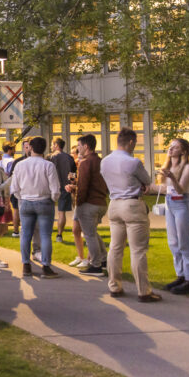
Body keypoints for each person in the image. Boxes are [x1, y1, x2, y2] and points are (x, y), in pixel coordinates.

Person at [99, 127, 161, 302]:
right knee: (138, 250)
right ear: (131, 142)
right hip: (132, 204)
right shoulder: (134, 162)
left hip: (114, 204)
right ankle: (144, 291)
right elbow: (147, 181)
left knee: (115, 248)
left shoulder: (104, 161)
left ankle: (114, 286)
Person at [9, 136, 60, 278]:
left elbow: (14, 187)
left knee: (25, 234)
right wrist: (52, 199)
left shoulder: (20, 165)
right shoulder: (48, 165)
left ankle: (26, 265)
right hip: (44, 201)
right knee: (45, 236)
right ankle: (46, 266)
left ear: (30, 147)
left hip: (26, 201)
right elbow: (55, 189)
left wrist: (22, 198)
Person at [156, 138, 189, 295]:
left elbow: (180, 190)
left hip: (183, 204)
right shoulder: (169, 166)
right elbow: (165, 187)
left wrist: (173, 178)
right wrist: (147, 187)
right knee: (173, 242)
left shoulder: (188, 168)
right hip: (170, 204)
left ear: (183, 151)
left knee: (185, 243)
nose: (171, 148)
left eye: (175, 147)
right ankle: (181, 276)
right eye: (170, 146)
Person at [72, 134, 109, 276]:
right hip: (101, 202)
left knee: (89, 235)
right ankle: (103, 259)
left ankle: (96, 265)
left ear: (86, 146)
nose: (77, 148)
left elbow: (83, 186)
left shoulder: (86, 163)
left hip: (89, 203)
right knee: (92, 232)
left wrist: (78, 203)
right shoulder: (101, 161)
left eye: (79, 146)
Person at [49, 138, 77, 242]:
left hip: (51, 187)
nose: (51, 147)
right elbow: (73, 175)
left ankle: (46, 232)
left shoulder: (50, 157)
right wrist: (71, 184)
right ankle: (59, 235)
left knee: (48, 212)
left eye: (52, 145)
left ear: (56, 145)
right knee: (61, 213)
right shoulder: (69, 158)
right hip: (65, 187)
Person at [8, 138, 31, 237]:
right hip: (19, 191)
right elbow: (12, 177)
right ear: (23, 148)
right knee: (16, 210)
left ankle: (27, 230)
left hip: (31, 191)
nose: (28, 149)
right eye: (26, 147)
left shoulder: (40, 161)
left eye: (30, 146)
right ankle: (16, 230)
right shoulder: (18, 162)